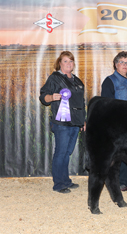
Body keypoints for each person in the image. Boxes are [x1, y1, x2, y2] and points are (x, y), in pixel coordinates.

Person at [39, 51, 86, 193]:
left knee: (67, 152)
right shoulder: (54, 78)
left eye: (70, 61)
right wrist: (51, 97)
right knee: (60, 152)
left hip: (75, 123)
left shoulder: (77, 81)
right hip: (61, 123)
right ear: (60, 63)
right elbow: (43, 96)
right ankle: (59, 184)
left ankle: (66, 180)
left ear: (73, 64)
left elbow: (81, 102)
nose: (68, 64)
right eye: (65, 61)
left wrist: (83, 121)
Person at [101, 51, 127, 191]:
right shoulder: (110, 81)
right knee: (117, 155)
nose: (124, 65)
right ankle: (115, 183)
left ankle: (124, 181)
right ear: (115, 64)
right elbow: (106, 104)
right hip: (118, 124)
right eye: (121, 62)